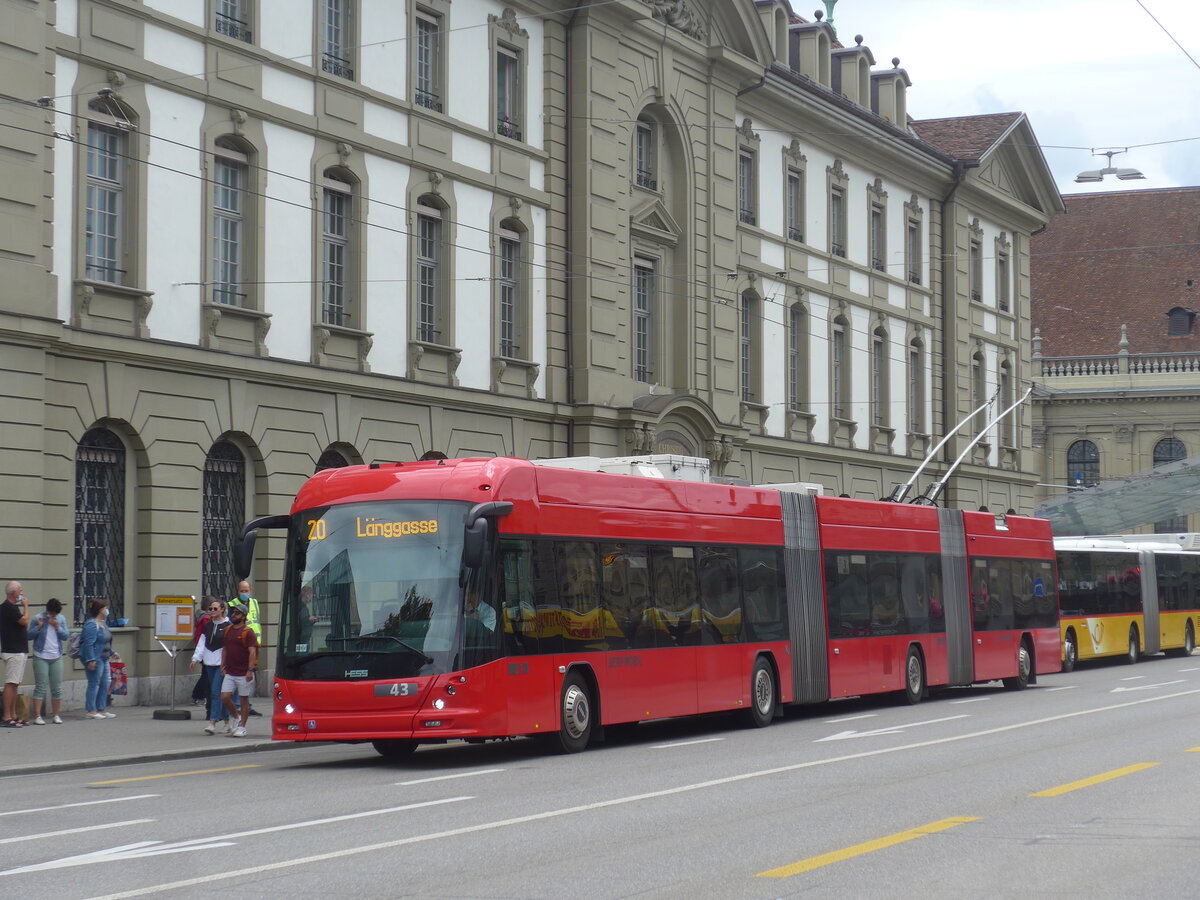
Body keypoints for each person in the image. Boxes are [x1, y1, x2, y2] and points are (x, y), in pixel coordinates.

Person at [189, 599, 231, 734]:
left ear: (222, 610)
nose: (212, 611)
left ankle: (212, 722)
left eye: (215, 609)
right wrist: (195, 658)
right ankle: (227, 721)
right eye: (210, 609)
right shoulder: (209, 625)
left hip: (221, 664)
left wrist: (227, 663)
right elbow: (202, 642)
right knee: (220, 694)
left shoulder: (227, 626)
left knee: (215, 692)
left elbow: (229, 647)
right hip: (209, 663)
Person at [220, 602, 258, 737]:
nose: (233, 615)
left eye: (237, 613)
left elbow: (252, 652)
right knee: (224, 697)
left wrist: (250, 670)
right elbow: (225, 649)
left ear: (243, 616)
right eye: (233, 612)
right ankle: (236, 716)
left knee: (243, 700)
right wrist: (222, 665)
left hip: (243, 672)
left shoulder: (248, 632)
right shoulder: (228, 630)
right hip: (230, 671)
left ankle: (242, 726)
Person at [27, 598, 68, 725]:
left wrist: (57, 627)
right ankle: (38, 716)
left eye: (55, 614)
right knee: (41, 686)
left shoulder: (61, 619)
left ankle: (56, 715)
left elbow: (66, 636)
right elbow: (29, 636)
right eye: (52, 613)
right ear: (48, 611)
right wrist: (38, 627)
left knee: (57, 687)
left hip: (56, 656)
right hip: (41, 655)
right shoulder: (38, 618)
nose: (54, 616)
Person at [1, 581, 31, 727]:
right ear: (12, 592)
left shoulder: (12, 608)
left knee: (15, 684)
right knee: (11, 683)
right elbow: (25, 621)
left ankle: (13, 714)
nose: (22, 592)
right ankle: (7, 716)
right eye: (19, 589)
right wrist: (26, 605)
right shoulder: (8, 607)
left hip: (18, 650)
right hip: (13, 650)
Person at [231, 580, 262, 716]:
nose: (244, 593)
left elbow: (257, 621)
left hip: (254, 643)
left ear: (250, 591)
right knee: (240, 674)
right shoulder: (233, 605)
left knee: (250, 676)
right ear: (238, 591)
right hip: (240, 643)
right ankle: (239, 705)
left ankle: (247, 705)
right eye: (242, 591)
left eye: (246, 590)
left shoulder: (254, 603)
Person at [80, 598, 115, 719]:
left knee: (105, 683)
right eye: (105, 608)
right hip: (96, 658)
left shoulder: (103, 623)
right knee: (94, 683)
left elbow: (106, 641)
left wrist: (112, 652)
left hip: (104, 657)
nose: (107, 610)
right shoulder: (91, 624)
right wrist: (91, 660)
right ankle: (91, 710)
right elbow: (89, 643)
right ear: (100, 610)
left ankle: (101, 708)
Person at [190, 596, 217, 707]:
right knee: (206, 675)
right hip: (206, 649)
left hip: (203, 648)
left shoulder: (201, 616)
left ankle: (198, 695)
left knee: (205, 674)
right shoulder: (207, 619)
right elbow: (210, 633)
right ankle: (199, 695)